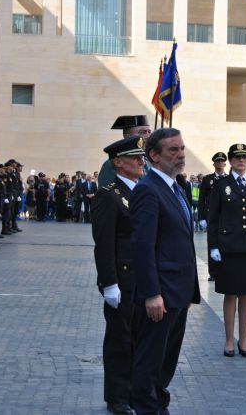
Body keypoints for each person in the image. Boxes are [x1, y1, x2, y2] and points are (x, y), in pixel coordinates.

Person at [130, 128, 201, 414]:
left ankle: (159, 404)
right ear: (154, 156)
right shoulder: (148, 189)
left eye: (182, 148)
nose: (181, 154)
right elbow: (142, 246)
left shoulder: (178, 188)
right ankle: (147, 408)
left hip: (179, 292)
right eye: (173, 150)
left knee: (167, 361)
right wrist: (151, 294)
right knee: (149, 362)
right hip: (160, 295)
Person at [92, 137, 146, 415]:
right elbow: (104, 243)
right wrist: (109, 283)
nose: (141, 161)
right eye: (134, 157)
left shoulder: (143, 191)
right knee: (120, 339)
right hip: (122, 280)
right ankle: (117, 396)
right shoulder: (108, 195)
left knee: (139, 336)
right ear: (117, 162)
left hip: (144, 278)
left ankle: (134, 390)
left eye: (142, 156)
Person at [207, 143, 246, 358]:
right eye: (237, 158)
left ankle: (243, 340)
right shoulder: (221, 184)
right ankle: (228, 340)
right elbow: (213, 219)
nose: (242, 161)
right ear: (231, 161)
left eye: (245, 158)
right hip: (229, 247)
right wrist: (213, 246)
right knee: (230, 293)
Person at [197, 152, 228, 281]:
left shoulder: (229, 179)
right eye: (217, 161)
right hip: (211, 217)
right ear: (214, 164)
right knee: (212, 244)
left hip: (226, 217)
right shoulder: (207, 179)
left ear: (225, 164)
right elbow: (201, 199)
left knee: (226, 243)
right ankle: (213, 273)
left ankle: (225, 270)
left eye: (222, 161)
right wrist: (202, 217)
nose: (220, 163)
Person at [98, 115, 152, 187]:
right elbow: (106, 195)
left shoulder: (148, 161)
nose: (148, 136)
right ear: (127, 136)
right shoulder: (110, 164)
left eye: (149, 132)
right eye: (142, 132)